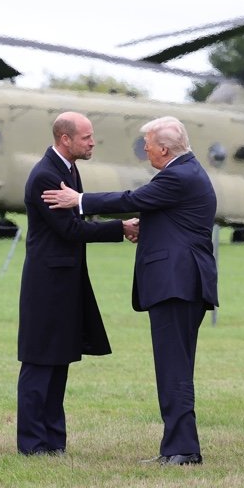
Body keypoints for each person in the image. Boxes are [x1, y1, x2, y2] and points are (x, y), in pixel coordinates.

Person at [41, 116, 217, 466]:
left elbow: (133, 197)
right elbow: (160, 211)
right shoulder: (186, 171)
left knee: (174, 369)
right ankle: (179, 446)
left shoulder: (178, 175)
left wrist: (79, 200)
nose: (145, 150)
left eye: (148, 145)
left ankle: (182, 449)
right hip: (182, 282)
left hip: (176, 284)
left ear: (164, 149)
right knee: (174, 367)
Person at [17, 111, 138, 455]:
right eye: (86, 137)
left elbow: (79, 216)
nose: (92, 142)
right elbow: (69, 229)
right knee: (40, 362)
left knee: (60, 361)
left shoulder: (68, 169)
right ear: (65, 139)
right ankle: (32, 443)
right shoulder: (45, 176)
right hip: (47, 283)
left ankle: (53, 442)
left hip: (67, 279)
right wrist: (121, 228)